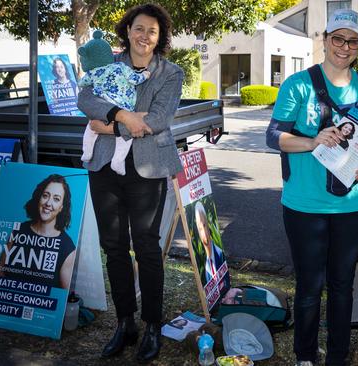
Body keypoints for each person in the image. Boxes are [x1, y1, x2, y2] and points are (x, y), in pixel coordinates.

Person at [265, 9, 358, 366]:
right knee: (309, 286)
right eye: (338, 38)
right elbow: (273, 136)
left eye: (352, 41)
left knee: (341, 286)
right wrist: (313, 140)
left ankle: (337, 357)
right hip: (305, 204)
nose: (344, 47)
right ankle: (305, 356)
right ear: (324, 39)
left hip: (353, 205)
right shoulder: (299, 84)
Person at [77, 3, 184, 363]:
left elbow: (158, 119)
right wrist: (122, 115)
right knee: (114, 246)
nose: (144, 36)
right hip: (105, 166)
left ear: (159, 37)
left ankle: (152, 324)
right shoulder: (108, 64)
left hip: (148, 167)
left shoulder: (170, 72)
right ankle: (125, 323)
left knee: (148, 247)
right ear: (128, 31)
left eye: (152, 31)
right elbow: (85, 98)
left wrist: (105, 124)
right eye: (139, 29)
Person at [78, 29, 152, 176]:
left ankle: (87, 151)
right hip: (124, 106)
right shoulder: (120, 67)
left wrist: (103, 128)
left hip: (105, 107)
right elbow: (135, 79)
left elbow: (81, 84)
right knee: (124, 139)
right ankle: (118, 161)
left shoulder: (92, 73)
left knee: (90, 128)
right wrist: (144, 74)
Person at [0, 174, 76, 290]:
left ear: (61, 207)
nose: (48, 203)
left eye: (56, 199)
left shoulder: (67, 247)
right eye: (45, 196)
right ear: (39, 198)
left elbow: (63, 296)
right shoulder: (19, 230)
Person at [194, 201, 226, 285]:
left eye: (204, 225)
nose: (204, 232)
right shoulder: (207, 264)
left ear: (208, 226)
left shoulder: (219, 254)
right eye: (200, 228)